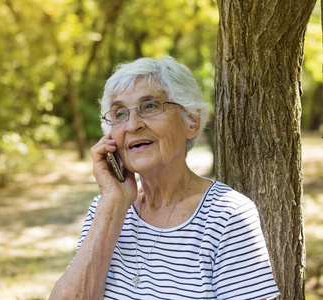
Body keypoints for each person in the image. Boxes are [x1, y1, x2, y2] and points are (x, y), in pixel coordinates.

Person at [49, 56, 280, 299]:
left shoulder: (226, 215)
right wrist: (113, 205)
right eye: (119, 113)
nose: (132, 125)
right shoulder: (105, 208)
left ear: (191, 121)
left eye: (150, 106)